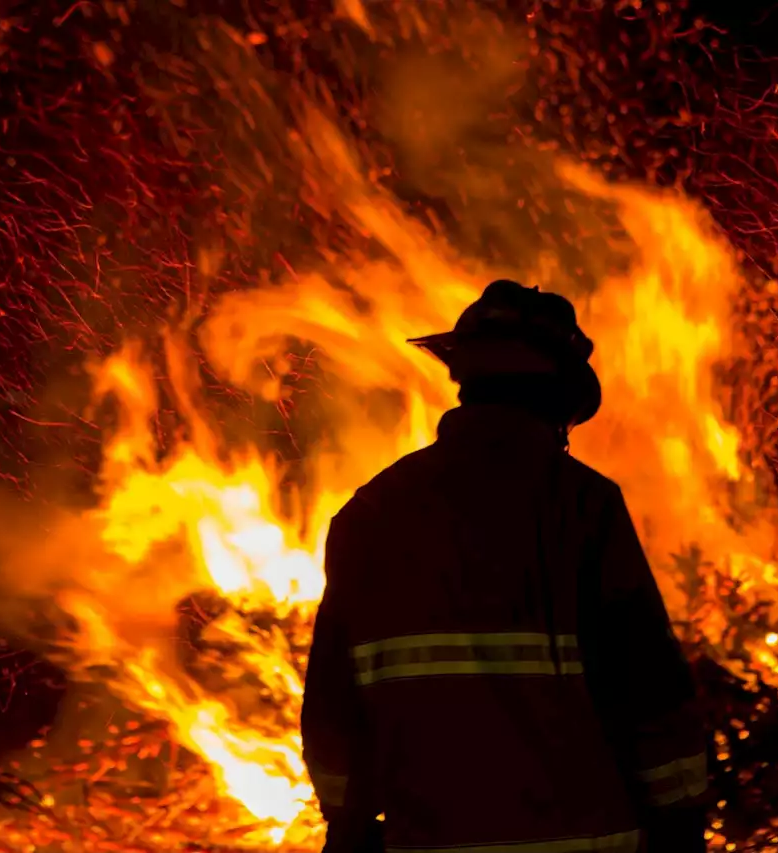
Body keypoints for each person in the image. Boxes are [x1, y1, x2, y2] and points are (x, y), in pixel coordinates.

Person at [301, 280, 709, 853]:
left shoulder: (370, 512)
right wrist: (681, 822)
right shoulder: (582, 504)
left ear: (464, 383)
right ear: (562, 399)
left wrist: (348, 823)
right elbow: (647, 684)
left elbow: (332, 704)